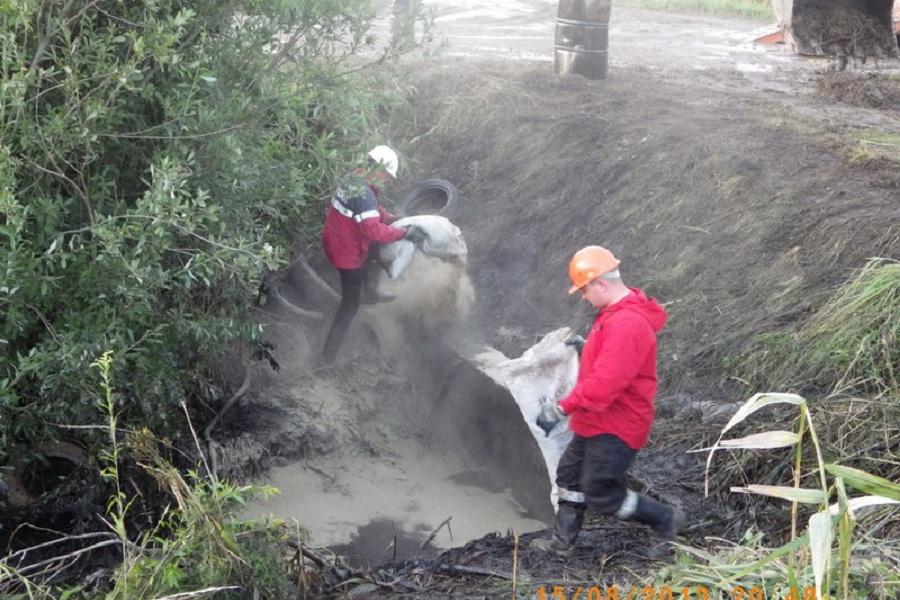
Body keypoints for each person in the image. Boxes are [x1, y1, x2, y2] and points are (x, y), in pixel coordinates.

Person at [531, 246, 685, 557]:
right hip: (595, 421)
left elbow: (606, 383)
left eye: (584, 290)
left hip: (617, 424)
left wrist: (561, 407)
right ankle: (563, 542)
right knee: (569, 477)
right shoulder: (612, 316)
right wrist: (587, 347)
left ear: (601, 284)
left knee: (601, 493)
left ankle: (665, 518)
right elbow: (613, 361)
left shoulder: (627, 323)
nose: (583, 297)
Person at [319, 145, 426, 365]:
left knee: (373, 252)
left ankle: (370, 289)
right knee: (350, 305)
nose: (386, 180)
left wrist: (388, 216)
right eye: (387, 176)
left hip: (337, 239)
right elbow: (372, 230)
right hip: (347, 254)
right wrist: (403, 233)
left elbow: (369, 211)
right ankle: (326, 357)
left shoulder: (353, 179)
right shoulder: (365, 193)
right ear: (378, 169)